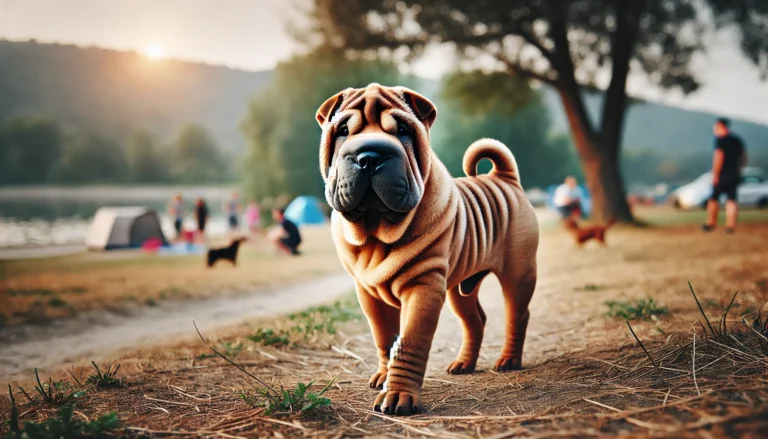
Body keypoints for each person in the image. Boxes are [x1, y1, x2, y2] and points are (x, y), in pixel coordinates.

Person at [702, 118, 747, 234]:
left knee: (713, 199)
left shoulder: (720, 140)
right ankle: (730, 226)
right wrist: (739, 170)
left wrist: (715, 174)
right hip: (734, 175)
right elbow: (744, 158)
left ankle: (711, 223)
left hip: (722, 174)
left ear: (720, 126)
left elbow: (719, 157)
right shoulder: (737, 140)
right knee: (731, 200)